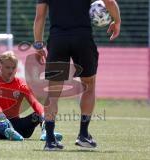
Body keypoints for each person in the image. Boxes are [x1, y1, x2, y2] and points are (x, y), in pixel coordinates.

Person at [33, 0, 121, 150]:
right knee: (89, 86)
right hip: (82, 39)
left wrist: (38, 44)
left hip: (57, 39)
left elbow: (39, 17)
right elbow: (110, 2)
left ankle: (49, 140)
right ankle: (83, 135)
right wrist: (117, 21)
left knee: (53, 91)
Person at [0, 51, 62, 141]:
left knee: (42, 113)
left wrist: (43, 115)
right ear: (0, 67)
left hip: (16, 126)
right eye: (7, 67)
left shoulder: (21, 85)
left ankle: (47, 132)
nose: (11, 71)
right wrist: (1, 116)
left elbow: (34, 102)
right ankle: (7, 130)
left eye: (13, 68)